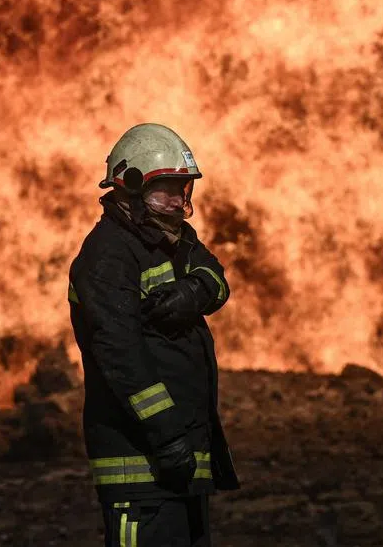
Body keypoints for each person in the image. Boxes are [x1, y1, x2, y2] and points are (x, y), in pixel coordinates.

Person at [68, 123, 239, 547]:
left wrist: (193, 290)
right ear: (129, 186)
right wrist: (168, 438)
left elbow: (216, 278)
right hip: (140, 470)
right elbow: (120, 357)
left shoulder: (174, 239)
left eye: (184, 189)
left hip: (183, 466)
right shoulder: (107, 255)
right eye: (166, 189)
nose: (180, 201)